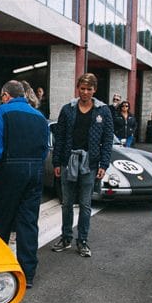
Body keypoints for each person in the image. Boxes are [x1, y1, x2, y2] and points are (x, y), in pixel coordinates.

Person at [0, 80, 49, 289]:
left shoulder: (1, 113)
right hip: (35, 170)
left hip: (9, 170)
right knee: (28, 222)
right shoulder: (39, 117)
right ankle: (28, 273)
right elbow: (44, 148)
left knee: (2, 220)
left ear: (5, 96)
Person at [50, 73, 113, 258]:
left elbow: (107, 139)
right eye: (82, 88)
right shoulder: (67, 109)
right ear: (78, 88)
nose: (85, 92)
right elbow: (59, 137)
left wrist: (104, 163)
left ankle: (82, 240)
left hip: (90, 163)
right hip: (68, 160)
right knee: (67, 203)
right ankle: (66, 237)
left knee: (85, 204)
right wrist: (57, 162)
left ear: (94, 90)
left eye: (89, 89)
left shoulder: (103, 111)